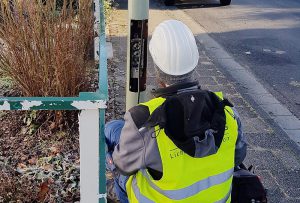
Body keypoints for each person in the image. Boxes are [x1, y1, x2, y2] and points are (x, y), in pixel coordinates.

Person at [105, 20, 247, 203]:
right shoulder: (227, 111)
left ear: (156, 68)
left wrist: (112, 162)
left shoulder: (144, 120)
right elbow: (238, 157)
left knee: (111, 131)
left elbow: (123, 166)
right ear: (195, 63)